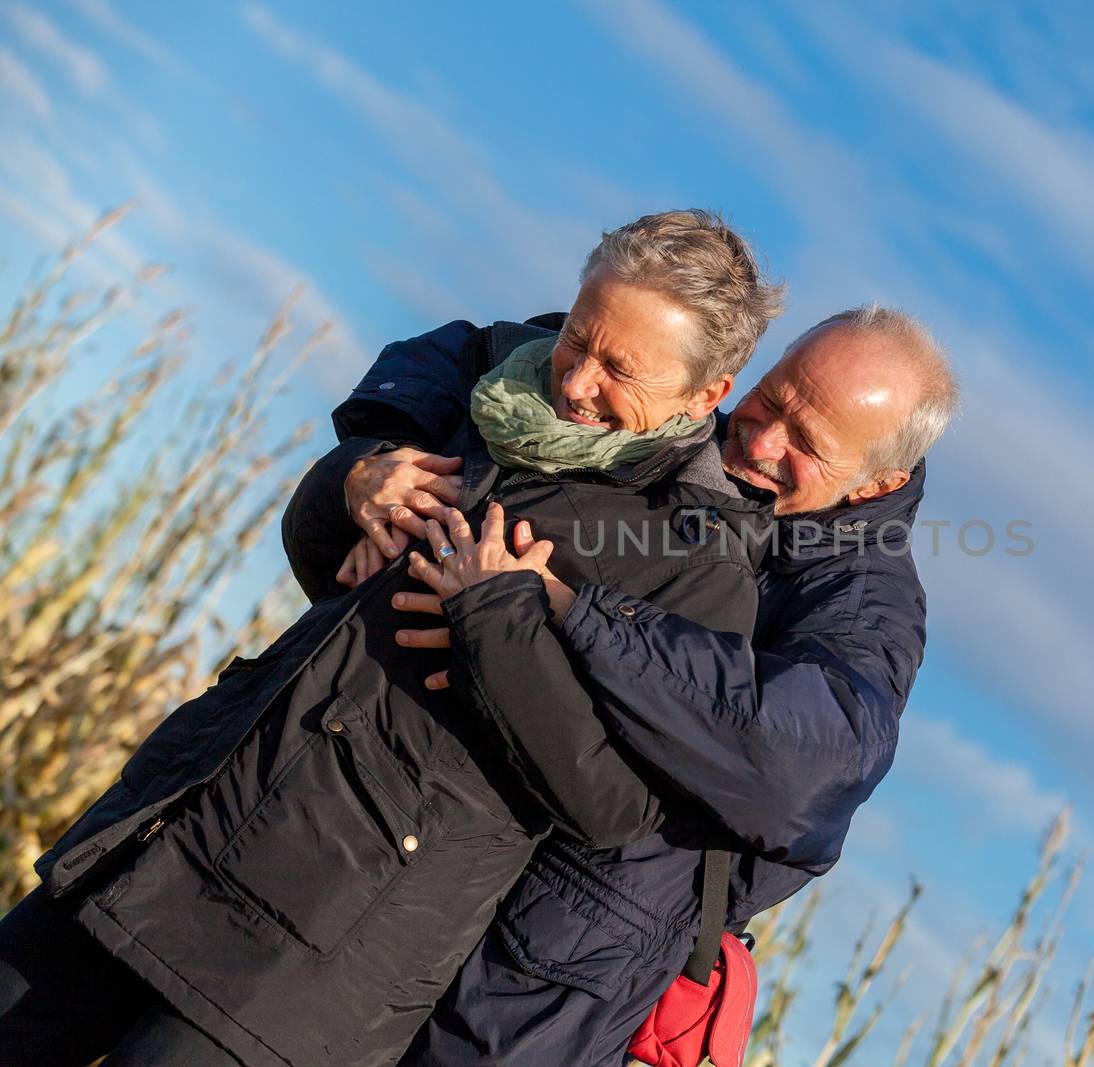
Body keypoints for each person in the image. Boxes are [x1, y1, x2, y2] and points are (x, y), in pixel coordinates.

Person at [0, 210, 783, 1067]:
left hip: (315, 951)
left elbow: (613, 804)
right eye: (579, 339)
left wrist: (493, 623)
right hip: (176, 828)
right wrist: (353, 479)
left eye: (619, 369)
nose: (576, 382)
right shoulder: (493, 392)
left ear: (710, 393)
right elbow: (328, 574)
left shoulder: (698, 569)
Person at [312, 305, 958, 1064]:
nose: (760, 440)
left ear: (878, 481)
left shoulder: (868, 603)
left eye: (808, 443)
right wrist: (377, 458)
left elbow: (811, 764)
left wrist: (572, 610)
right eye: (774, 396)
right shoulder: (681, 415)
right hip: (396, 874)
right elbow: (477, 351)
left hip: (539, 985)